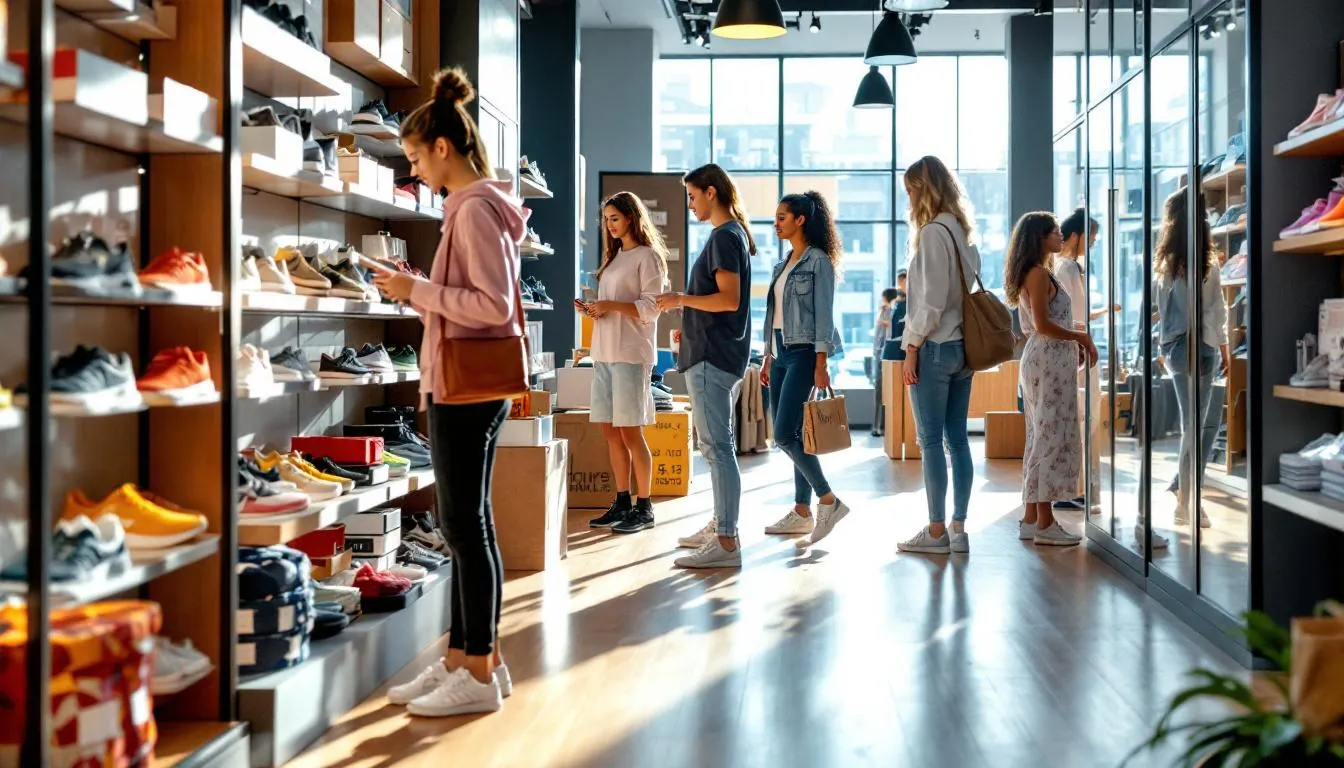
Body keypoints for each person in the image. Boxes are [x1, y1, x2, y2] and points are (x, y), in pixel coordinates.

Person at [373, 68, 520, 717]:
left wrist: (417, 293)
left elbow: (492, 306)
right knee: (465, 527)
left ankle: (480, 674)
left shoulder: (476, 210)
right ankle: (469, 660)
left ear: (441, 147)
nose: (414, 174)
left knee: (466, 527)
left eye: (413, 158)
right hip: (457, 384)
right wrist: (420, 290)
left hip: (468, 387)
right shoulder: (470, 207)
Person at [655, 163, 753, 569]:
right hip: (710, 353)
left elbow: (728, 300)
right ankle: (720, 524)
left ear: (711, 193)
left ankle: (726, 540)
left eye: (692, 196)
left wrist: (680, 300)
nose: (690, 203)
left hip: (714, 358)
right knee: (715, 447)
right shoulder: (729, 237)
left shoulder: (725, 238)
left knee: (717, 447)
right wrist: (689, 324)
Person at [895, 156, 981, 556]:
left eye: (911, 190)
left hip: (934, 348)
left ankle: (935, 532)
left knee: (930, 441)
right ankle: (959, 528)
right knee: (957, 441)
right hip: (964, 348)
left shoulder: (931, 234)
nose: (909, 198)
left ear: (924, 190)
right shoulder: (962, 233)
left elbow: (929, 304)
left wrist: (910, 347)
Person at [760, 191, 850, 547]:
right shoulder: (781, 264)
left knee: (783, 435)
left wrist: (821, 363)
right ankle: (802, 511)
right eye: (776, 216)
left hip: (804, 353)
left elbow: (824, 316)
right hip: (780, 353)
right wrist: (768, 355)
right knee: (793, 434)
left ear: (800, 220)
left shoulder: (818, 263)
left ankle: (828, 500)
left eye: (782, 217)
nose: (776, 222)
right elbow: (773, 315)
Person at [1003, 212, 1097, 547]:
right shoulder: (1040, 274)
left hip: (1044, 359)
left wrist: (1074, 341)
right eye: (1055, 232)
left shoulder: (1037, 273)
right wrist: (1081, 338)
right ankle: (1045, 521)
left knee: (1039, 434)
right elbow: (1043, 324)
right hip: (1047, 360)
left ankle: (1032, 517)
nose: (1061, 236)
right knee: (1050, 436)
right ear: (1040, 238)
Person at [581, 192, 669, 535]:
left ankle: (644, 506)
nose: (609, 224)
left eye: (615, 218)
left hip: (631, 354)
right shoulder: (614, 258)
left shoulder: (648, 257)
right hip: (603, 352)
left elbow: (651, 307)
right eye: (606, 219)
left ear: (632, 217)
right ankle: (622, 501)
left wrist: (612, 306)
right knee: (610, 431)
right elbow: (613, 304)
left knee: (631, 432)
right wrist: (595, 308)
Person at [1155, 186, 1228, 530]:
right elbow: (1214, 310)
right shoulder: (1200, 262)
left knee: (1197, 425)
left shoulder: (1169, 262)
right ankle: (1188, 500)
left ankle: (1184, 492)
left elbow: (1169, 311)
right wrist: (1221, 345)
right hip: (1196, 346)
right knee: (1195, 426)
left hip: (1181, 346)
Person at [1052, 208, 1110, 514]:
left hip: (1076, 349)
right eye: (1092, 236)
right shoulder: (1068, 269)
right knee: (1083, 419)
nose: (1094, 242)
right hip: (1078, 351)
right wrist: (1081, 344)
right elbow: (1074, 318)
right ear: (1076, 235)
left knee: (1081, 419)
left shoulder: (1066, 267)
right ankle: (1077, 489)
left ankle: (1077, 488)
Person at [871, 287, 901, 437]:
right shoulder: (883, 311)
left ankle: (883, 427)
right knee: (879, 390)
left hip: (886, 355)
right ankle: (878, 427)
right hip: (879, 354)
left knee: (884, 390)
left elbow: (890, 329)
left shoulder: (891, 312)